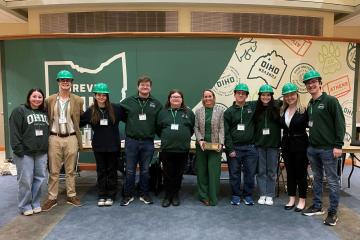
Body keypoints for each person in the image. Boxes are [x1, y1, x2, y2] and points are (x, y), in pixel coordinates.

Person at [301, 70, 345, 226]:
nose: (311, 85)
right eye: (308, 83)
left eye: (314, 82)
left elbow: (340, 124)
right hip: (313, 149)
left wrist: (338, 145)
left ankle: (333, 212)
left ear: (320, 83)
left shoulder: (331, 101)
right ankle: (317, 206)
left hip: (328, 149)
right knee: (317, 178)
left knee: (332, 181)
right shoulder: (311, 104)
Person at [42, 70, 84, 211]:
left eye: (68, 80)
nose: (65, 82)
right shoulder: (50, 100)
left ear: (71, 83)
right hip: (54, 137)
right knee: (54, 170)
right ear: (58, 82)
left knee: (70, 170)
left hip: (71, 137)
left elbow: (80, 119)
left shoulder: (78, 100)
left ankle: (71, 195)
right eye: (62, 80)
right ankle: (52, 198)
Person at [120, 75, 162, 206]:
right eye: (142, 85)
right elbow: (121, 116)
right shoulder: (128, 101)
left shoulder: (156, 103)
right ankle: (128, 195)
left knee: (145, 170)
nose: (145, 87)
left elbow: (159, 123)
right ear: (138, 86)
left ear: (151, 87)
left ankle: (145, 194)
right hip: (131, 141)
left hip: (148, 142)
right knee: (130, 170)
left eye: (147, 85)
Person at [80, 83, 124, 207]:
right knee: (101, 171)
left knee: (112, 171)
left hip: (113, 146)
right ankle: (102, 195)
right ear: (95, 96)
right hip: (99, 146)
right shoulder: (91, 111)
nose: (101, 97)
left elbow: (129, 118)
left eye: (104, 95)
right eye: (99, 94)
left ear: (107, 96)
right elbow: (79, 122)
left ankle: (111, 195)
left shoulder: (116, 109)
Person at [9, 88, 49, 216]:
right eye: (34, 96)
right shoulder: (19, 111)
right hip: (25, 152)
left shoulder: (44, 113)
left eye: (40, 97)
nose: (37, 99)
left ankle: (35, 203)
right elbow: (14, 132)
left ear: (43, 99)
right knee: (25, 180)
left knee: (39, 179)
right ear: (29, 97)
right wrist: (18, 149)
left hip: (41, 152)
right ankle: (24, 205)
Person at [157, 90, 195, 207]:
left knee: (178, 174)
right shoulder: (162, 112)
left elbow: (191, 129)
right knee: (167, 173)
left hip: (182, 149)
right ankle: (168, 195)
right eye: (173, 97)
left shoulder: (189, 113)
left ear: (182, 99)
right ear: (169, 99)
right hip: (167, 148)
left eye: (178, 97)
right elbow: (158, 129)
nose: (176, 99)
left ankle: (175, 194)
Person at [224, 83, 257, 206]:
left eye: (243, 93)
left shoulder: (252, 107)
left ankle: (248, 195)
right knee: (234, 173)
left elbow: (269, 101)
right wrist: (230, 148)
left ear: (247, 95)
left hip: (250, 148)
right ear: (235, 94)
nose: (241, 95)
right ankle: (236, 195)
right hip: (235, 148)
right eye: (239, 92)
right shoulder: (229, 112)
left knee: (250, 173)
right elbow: (226, 132)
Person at [280, 83, 309, 212]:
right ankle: (291, 199)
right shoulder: (283, 110)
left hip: (301, 146)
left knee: (301, 174)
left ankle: (302, 200)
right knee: (290, 173)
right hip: (287, 146)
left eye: (292, 94)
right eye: (287, 95)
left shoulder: (303, 110)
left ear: (297, 94)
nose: (290, 97)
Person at [194, 89, 224, 206]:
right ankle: (203, 196)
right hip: (201, 145)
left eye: (210, 96)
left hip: (215, 145)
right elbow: (196, 127)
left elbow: (222, 128)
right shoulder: (198, 111)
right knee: (202, 172)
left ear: (213, 97)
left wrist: (221, 143)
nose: (207, 98)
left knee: (214, 172)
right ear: (203, 98)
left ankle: (213, 195)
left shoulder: (220, 111)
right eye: (205, 96)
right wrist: (200, 140)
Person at [254, 84, 281, 206]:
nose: (266, 97)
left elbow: (287, 101)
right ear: (259, 96)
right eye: (263, 95)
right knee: (261, 171)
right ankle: (262, 194)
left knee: (271, 171)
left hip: (273, 145)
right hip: (259, 145)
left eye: (268, 95)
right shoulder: (256, 108)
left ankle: (270, 195)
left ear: (271, 96)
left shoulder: (277, 107)